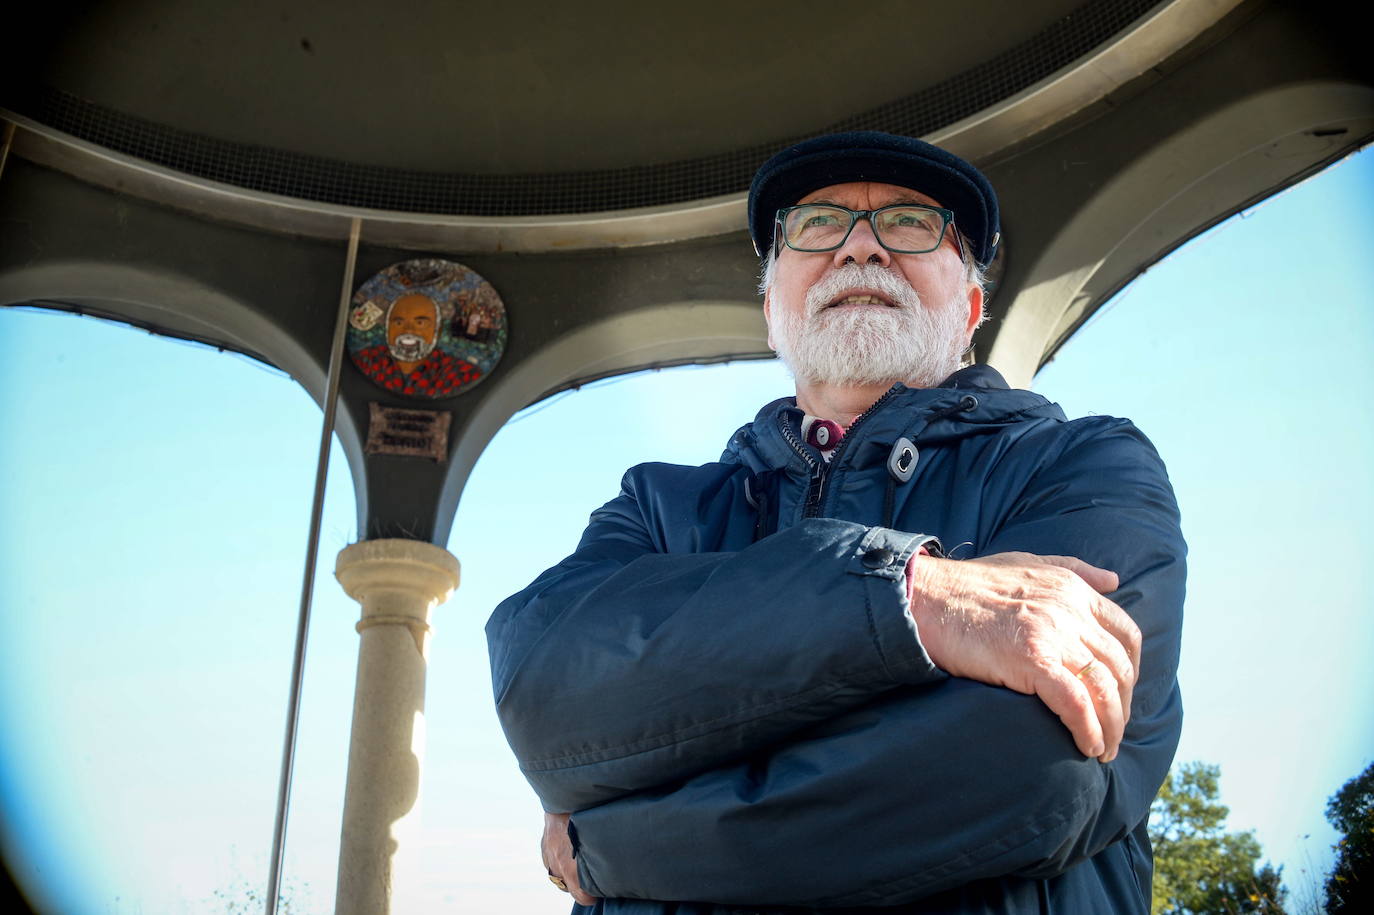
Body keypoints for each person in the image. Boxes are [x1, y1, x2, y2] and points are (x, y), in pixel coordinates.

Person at [486, 131, 1185, 914]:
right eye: (818, 224)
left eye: (913, 223)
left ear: (972, 309)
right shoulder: (658, 509)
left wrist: (608, 847)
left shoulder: (1083, 467)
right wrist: (911, 598)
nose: (861, 249)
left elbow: (1036, 768)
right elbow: (543, 696)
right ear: (770, 305)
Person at [352, 292, 479, 397]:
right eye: (399, 323)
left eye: (420, 323)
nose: (408, 330)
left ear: (438, 331)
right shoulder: (365, 361)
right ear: (387, 329)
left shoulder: (463, 374)